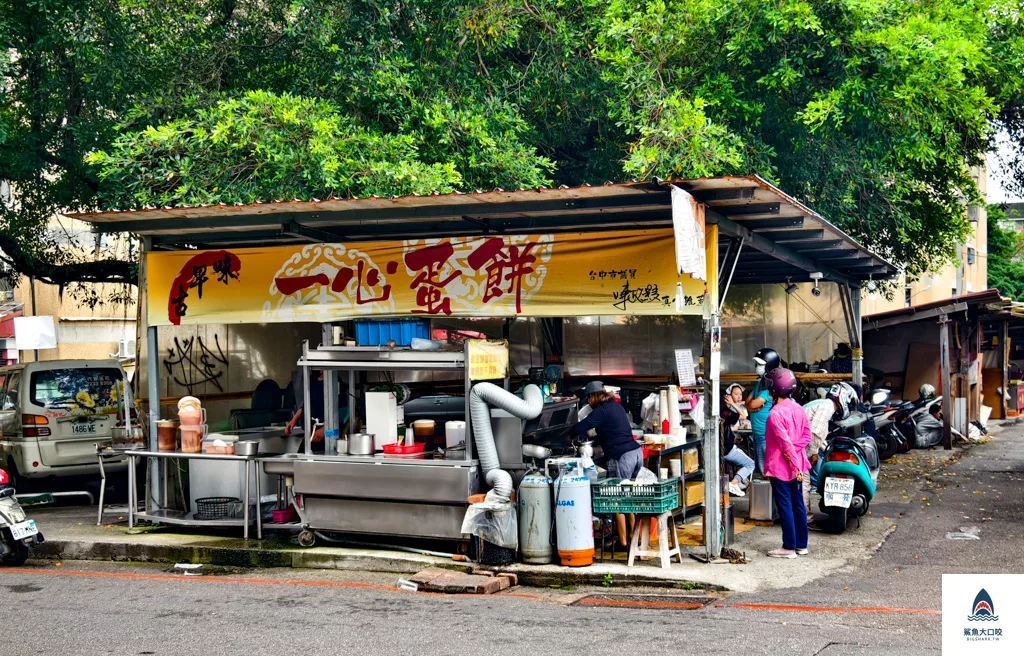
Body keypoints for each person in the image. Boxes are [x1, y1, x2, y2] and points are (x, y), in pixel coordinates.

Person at [573, 380, 643, 547]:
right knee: (628, 498)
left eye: (589, 397)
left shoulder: (601, 410)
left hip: (622, 457)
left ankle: (624, 542)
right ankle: (634, 538)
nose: (589, 402)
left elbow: (582, 426)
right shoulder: (615, 405)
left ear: (596, 396)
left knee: (617, 500)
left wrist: (568, 434)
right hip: (635, 453)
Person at [763, 367, 812, 559]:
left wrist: (792, 462)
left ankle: (788, 547)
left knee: (785, 505)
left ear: (775, 390)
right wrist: (796, 457)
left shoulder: (775, 414)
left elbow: (785, 445)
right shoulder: (799, 408)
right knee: (798, 504)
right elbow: (806, 436)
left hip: (782, 467)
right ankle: (802, 545)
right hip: (797, 464)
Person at [802, 383, 856, 519]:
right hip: (798, 447)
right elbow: (814, 433)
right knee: (804, 481)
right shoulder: (827, 407)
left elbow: (816, 435)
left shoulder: (821, 403)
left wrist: (824, 448)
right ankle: (805, 518)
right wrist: (813, 453)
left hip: (797, 445)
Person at [746, 348, 780, 475]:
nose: (757, 367)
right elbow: (747, 402)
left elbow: (753, 403)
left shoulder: (770, 385)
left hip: (764, 433)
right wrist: (751, 407)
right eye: (757, 364)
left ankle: (767, 492)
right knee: (759, 466)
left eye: (761, 364)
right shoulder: (760, 383)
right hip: (757, 432)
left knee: (765, 468)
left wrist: (752, 406)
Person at [721, 388, 755, 497]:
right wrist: (733, 404)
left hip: (718, 450)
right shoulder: (727, 413)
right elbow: (743, 416)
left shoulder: (718, 413)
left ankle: (734, 484)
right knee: (751, 464)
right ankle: (733, 483)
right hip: (728, 449)